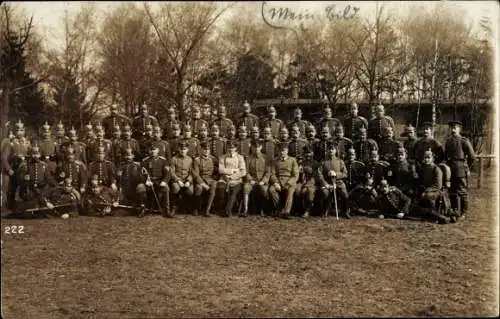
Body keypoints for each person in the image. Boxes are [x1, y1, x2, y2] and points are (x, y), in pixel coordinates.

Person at [444, 120, 476, 219]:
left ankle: (463, 212)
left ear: (459, 129)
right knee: (452, 191)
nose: (453, 129)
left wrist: (467, 168)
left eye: (455, 127)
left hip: (460, 168)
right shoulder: (448, 141)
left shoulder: (464, 141)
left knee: (462, 191)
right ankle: (454, 210)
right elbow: (446, 156)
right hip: (450, 168)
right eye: (452, 127)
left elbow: (472, 157)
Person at [14, 146, 55, 214]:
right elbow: (18, 181)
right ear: (30, 155)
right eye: (33, 154)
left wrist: (56, 185)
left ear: (39, 155)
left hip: (41, 190)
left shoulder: (44, 165)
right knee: (31, 201)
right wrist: (24, 179)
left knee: (48, 193)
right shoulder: (25, 165)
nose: (35, 156)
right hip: (29, 190)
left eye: (37, 154)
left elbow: (49, 179)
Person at [2, 120, 31, 210]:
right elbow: (4, 157)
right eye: (18, 130)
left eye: (22, 130)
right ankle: (9, 206)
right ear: (15, 132)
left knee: (25, 187)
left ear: (24, 131)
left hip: (24, 169)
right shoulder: (10, 143)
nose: (20, 132)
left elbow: (31, 155)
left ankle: (25, 205)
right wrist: (8, 169)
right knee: (11, 189)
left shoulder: (28, 143)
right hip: (13, 169)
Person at [414, 149, 448, 223]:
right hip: (426, 189)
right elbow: (421, 180)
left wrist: (426, 191)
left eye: (428, 157)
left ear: (433, 158)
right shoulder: (424, 168)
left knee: (428, 196)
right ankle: (425, 213)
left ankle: (435, 215)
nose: (426, 159)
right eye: (425, 157)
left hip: (436, 191)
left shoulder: (436, 169)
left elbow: (438, 185)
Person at [317, 143, 349, 218]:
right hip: (327, 183)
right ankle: (326, 210)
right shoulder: (324, 162)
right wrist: (324, 183)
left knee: (345, 194)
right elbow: (319, 174)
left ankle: (346, 211)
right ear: (327, 150)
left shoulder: (340, 161)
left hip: (338, 182)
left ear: (335, 151)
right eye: (329, 149)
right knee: (325, 193)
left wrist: (336, 174)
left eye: (333, 149)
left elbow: (345, 174)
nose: (331, 150)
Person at [268, 142, 299, 219]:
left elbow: (295, 175)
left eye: (284, 150)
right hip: (278, 181)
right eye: (280, 151)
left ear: (287, 151)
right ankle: (280, 210)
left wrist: (289, 183)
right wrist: (275, 183)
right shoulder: (275, 161)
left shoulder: (292, 160)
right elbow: (272, 174)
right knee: (271, 189)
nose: (282, 152)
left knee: (290, 190)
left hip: (289, 181)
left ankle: (286, 212)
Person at [217, 141, 246, 217]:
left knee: (234, 191)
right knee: (221, 190)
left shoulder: (240, 157)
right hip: (223, 178)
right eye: (229, 147)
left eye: (232, 147)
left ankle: (228, 210)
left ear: (236, 148)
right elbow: (221, 170)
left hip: (236, 179)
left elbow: (243, 172)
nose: (230, 149)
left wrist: (232, 177)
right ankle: (220, 209)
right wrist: (233, 171)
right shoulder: (222, 157)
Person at [242, 139, 271, 216]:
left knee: (264, 190)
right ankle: (245, 209)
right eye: (254, 147)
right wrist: (250, 179)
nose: (256, 149)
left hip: (262, 181)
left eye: (258, 147)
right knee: (246, 188)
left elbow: (268, 172)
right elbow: (246, 171)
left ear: (261, 147)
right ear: (251, 147)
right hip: (252, 180)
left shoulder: (266, 158)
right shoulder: (248, 158)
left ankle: (263, 210)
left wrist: (263, 181)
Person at [141, 144, 171, 217]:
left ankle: (167, 210)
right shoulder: (145, 161)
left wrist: (164, 181)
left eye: (154, 150)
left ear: (158, 151)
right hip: (149, 181)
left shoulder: (163, 160)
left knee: (166, 188)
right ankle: (143, 209)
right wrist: (146, 181)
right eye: (151, 150)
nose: (152, 151)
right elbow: (142, 173)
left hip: (160, 180)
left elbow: (167, 173)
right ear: (149, 151)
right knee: (141, 189)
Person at [193, 141, 218, 217]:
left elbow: (217, 172)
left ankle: (207, 210)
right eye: (204, 149)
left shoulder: (213, 159)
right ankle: (196, 208)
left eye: (207, 149)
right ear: (201, 150)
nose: (206, 151)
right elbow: (196, 174)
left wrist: (214, 179)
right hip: (201, 179)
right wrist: (203, 184)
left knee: (214, 186)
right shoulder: (197, 160)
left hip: (210, 179)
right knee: (198, 188)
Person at [169, 142, 195, 215]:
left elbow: (191, 172)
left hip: (186, 179)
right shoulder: (174, 159)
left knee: (190, 191)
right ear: (178, 149)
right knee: (176, 188)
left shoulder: (190, 159)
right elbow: (172, 172)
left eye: (184, 149)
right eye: (181, 149)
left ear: (187, 150)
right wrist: (178, 180)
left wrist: (188, 181)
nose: (182, 151)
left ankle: (188, 207)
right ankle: (174, 207)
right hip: (177, 179)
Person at [295, 146, 318, 218]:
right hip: (301, 181)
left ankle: (308, 210)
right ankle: (299, 209)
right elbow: (297, 174)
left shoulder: (315, 163)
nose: (308, 155)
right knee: (297, 190)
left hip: (312, 182)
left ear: (312, 153)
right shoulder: (301, 162)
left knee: (309, 191)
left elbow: (316, 176)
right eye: (306, 153)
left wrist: (307, 184)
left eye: (309, 153)